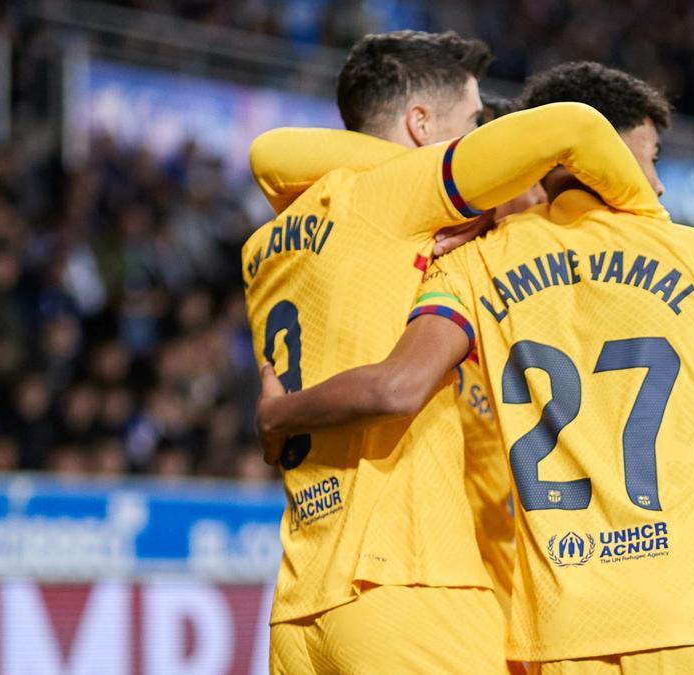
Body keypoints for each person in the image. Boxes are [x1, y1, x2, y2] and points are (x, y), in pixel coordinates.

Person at [255, 62, 694, 674]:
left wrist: (279, 413)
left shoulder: (468, 266)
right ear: (607, 152)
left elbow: (398, 379)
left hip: (559, 638)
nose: (657, 183)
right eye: (650, 158)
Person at [242, 32, 663, 673]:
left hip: (303, 599)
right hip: (408, 581)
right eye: (470, 125)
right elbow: (575, 127)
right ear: (419, 125)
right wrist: (659, 242)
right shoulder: (400, 191)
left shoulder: (271, 242)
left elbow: (270, 153)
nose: (477, 142)